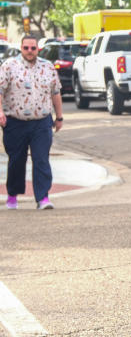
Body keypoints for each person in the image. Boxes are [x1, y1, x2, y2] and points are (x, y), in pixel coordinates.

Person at [0, 35, 64, 210]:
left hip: (41, 122)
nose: (29, 51)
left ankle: (43, 197)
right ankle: (12, 195)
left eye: (33, 48)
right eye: (26, 48)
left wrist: (59, 117)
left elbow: (55, 93)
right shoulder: (9, 66)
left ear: (38, 49)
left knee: (41, 159)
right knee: (16, 161)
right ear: (21, 48)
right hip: (15, 122)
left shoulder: (48, 67)